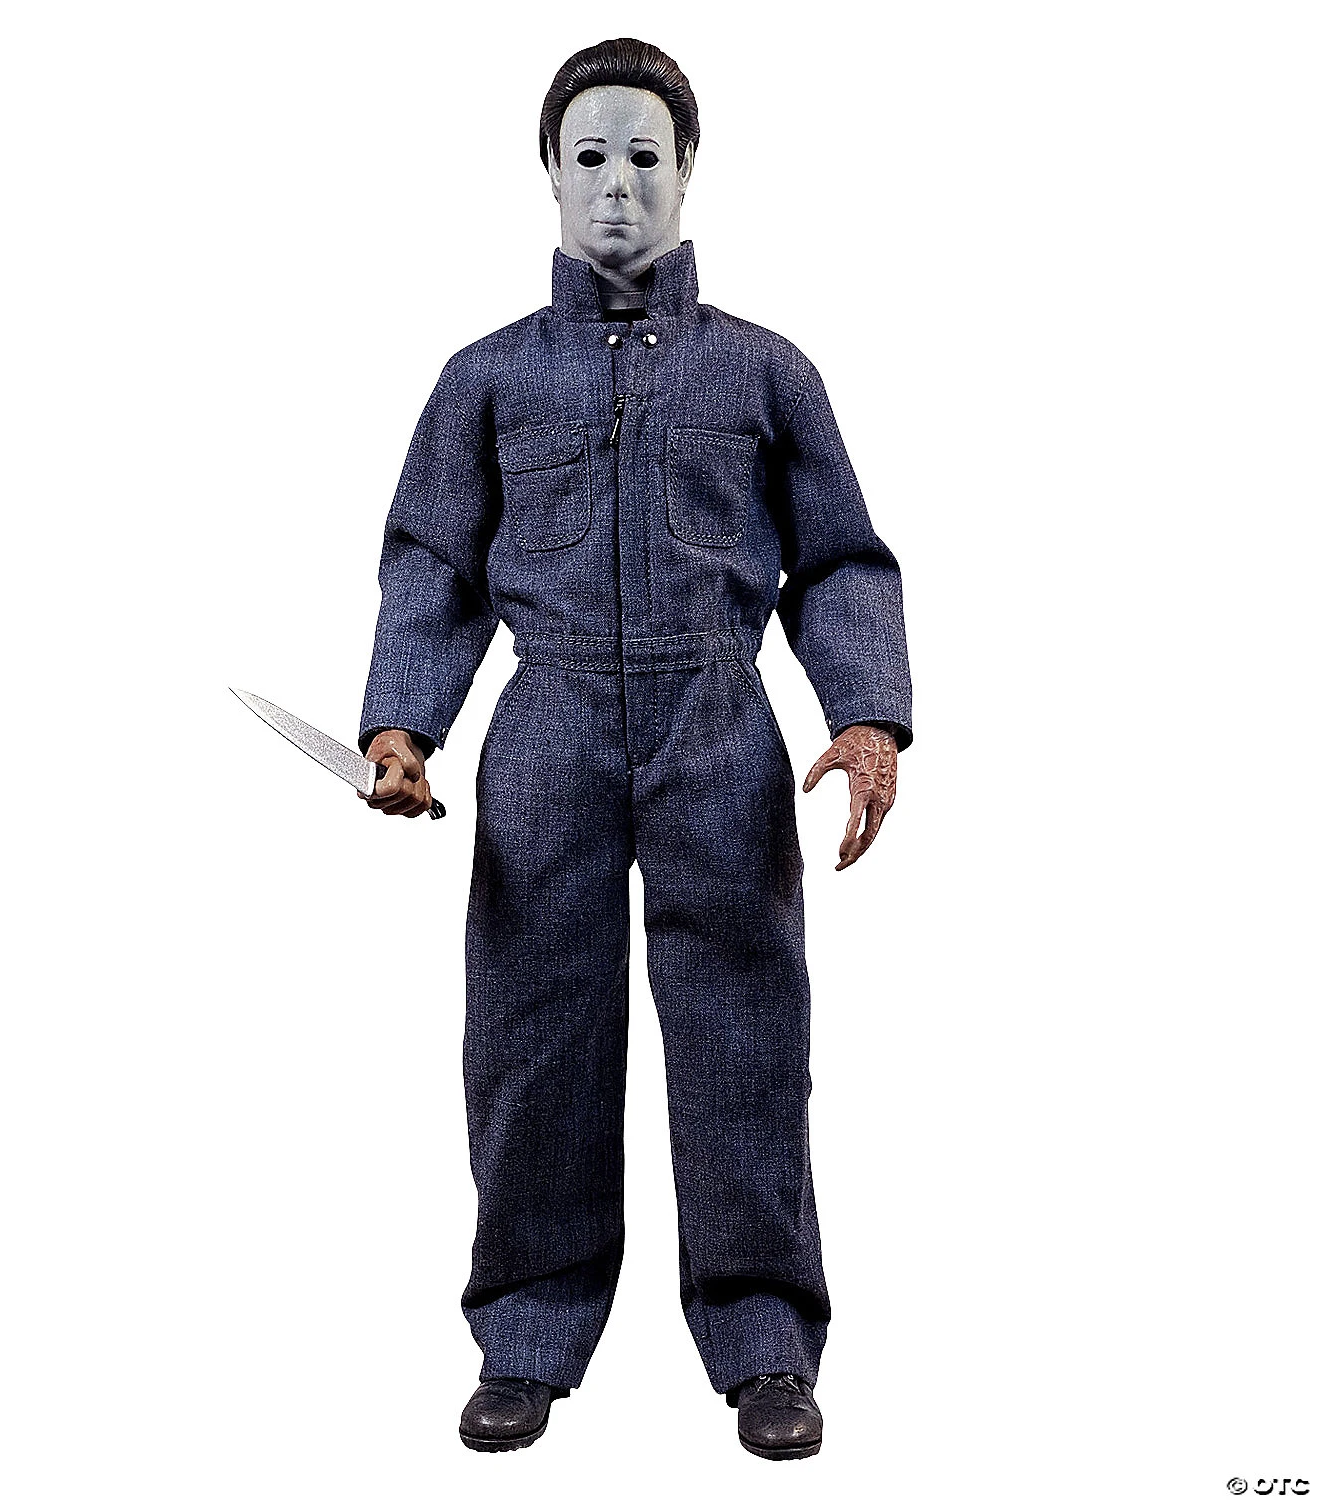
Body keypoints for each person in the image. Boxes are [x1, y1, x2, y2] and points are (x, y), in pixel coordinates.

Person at [357, 37, 911, 1461]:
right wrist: (402, 725)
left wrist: (864, 715)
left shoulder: (765, 372)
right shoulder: (487, 379)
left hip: (716, 719)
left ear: (689, 173)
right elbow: (432, 564)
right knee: (532, 1033)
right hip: (546, 727)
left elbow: (839, 561)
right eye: (590, 156)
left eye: (645, 156)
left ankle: (765, 1340)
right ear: (548, 174)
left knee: (745, 1033)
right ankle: (527, 1334)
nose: (618, 186)